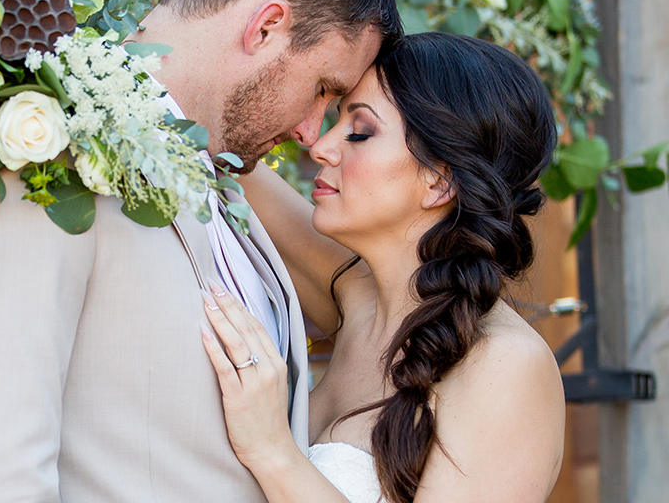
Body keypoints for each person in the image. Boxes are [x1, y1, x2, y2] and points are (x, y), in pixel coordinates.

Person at [0, 0, 402, 502]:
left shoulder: (225, 188)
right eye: (324, 88)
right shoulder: (30, 150)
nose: (309, 131)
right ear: (266, 27)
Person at [201, 32, 566, 503]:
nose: (321, 147)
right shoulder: (356, 294)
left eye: (359, 132)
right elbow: (220, 152)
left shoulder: (507, 366)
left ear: (438, 181)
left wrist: (272, 451)